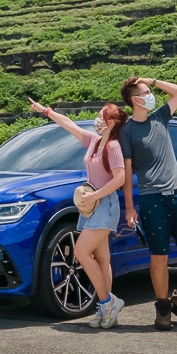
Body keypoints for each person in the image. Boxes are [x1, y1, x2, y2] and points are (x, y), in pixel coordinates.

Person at [28, 97, 129, 329]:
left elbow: (120, 179)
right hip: (90, 205)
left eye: (101, 117)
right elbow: (69, 124)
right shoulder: (94, 142)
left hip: (104, 204)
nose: (97, 120)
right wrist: (46, 111)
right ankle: (106, 310)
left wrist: (95, 195)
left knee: (81, 252)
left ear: (111, 123)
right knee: (102, 258)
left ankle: (108, 301)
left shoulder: (113, 146)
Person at [118, 76, 177, 329]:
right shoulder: (128, 131)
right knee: (159, 255)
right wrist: (130, 206)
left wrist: (151, 80)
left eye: (149, 91)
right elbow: (126, 170)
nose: (150, 94)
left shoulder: (160, 117)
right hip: (152, 198)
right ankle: (163, 308)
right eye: (145, 92)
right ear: (135, 100)